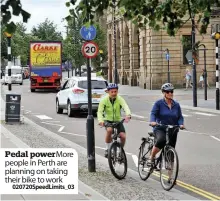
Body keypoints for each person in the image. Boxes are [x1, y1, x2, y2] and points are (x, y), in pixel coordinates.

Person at [149, 83, 185, 182]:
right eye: (168, 92)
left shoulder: (176, 105)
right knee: (161, 140)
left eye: (171, 91)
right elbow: (153, 113)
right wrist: (152, 122)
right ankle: (151, 157)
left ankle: (170, 177)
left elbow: (180, 117)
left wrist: (181, 124)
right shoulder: (159, 103)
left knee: (170, 152)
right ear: (164, 93)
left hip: (173, 129)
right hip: (160, 128)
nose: (170, 93)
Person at [97, 83, 131, 157]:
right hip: (107, 120)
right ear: (108, 92)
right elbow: (100, 111)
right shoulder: (104, 100)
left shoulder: (119, 99)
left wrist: (128, 114)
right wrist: (101, 121)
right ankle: (107, 149)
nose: (114, 93)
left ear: (117, 91)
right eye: (112, 92)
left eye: (115, 91)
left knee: (123, 136)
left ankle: (121, 150)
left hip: (118, 121)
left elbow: (125, 106)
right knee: (109, 130)